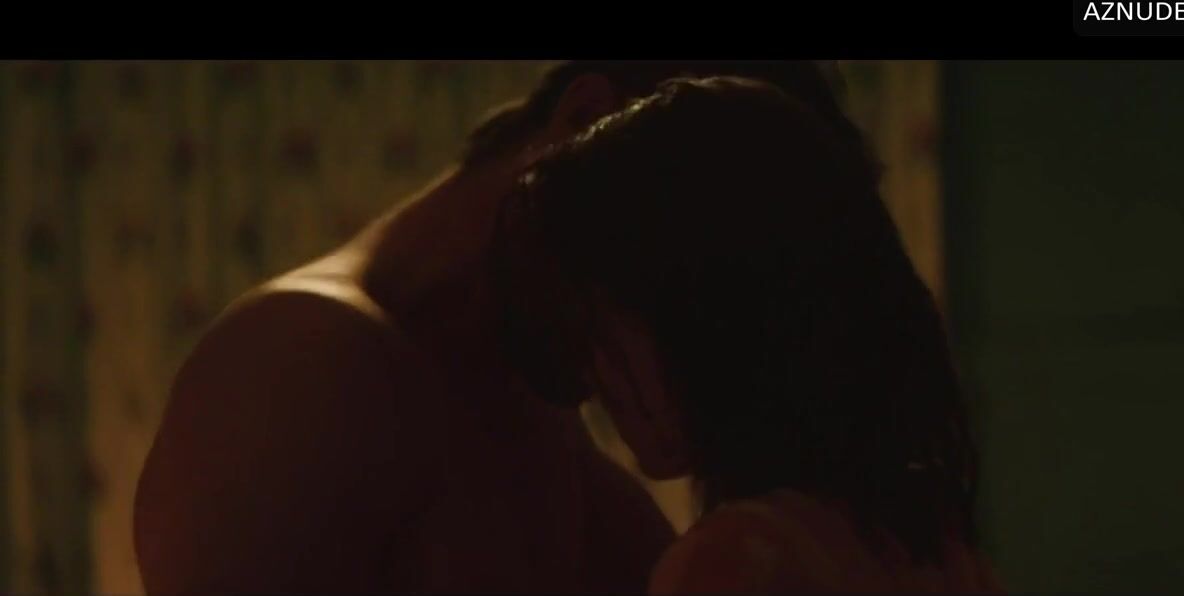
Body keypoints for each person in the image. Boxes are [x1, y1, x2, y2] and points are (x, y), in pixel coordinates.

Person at [133, 61, 861, 594]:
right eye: (693, 259)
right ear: (586, 121)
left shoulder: (539, 408)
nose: (693, 328)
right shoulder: (306, 364)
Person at [493, 76, 1005, 593]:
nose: (594, 376)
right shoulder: (938, 554)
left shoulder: (734, 561)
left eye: (602, 322)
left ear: (696, 311)